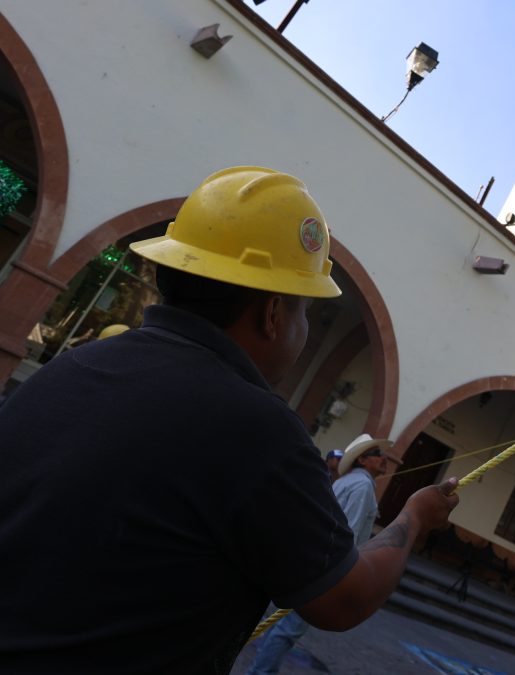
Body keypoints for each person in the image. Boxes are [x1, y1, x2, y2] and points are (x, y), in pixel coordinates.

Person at [0, 167, 458, 674]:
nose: (304, 328)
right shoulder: (258, 429)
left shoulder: (75, 365)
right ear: (272, 314)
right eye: (306, 310)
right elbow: (342, 600)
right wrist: (414, 517)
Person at [248, 433, 392, 674]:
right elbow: (351, 531)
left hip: (310, 556)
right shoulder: (364, 486)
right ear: (364, 460)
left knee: (279, 624)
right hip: (323, 568)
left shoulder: (346, 481)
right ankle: (260, 672)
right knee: (288, 630)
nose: (384, 458)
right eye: (378, 454)